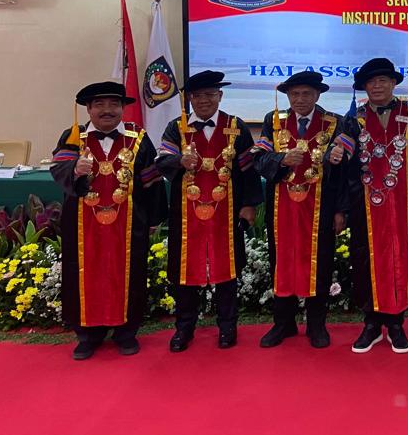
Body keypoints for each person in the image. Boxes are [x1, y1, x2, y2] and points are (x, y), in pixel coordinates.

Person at [50, 81, 166, 359]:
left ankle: (126, 333)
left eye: (114, 104)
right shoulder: (73, 136)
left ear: (123, 108)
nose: (107, 110)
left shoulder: (138, 137)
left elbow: (151, 180)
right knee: (83, 275)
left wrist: (154, 219)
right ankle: (87, 335)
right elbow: (58, 169)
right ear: (88, 109)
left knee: (129, 274)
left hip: (129, 224)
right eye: (99, 104)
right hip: (83, 225)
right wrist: (74, 168)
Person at [156, 70, 262, 351]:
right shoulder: (176, 128)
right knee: (185, 271)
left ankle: (227, 327)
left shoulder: (236, 126)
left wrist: (249, 205)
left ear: (220, 96)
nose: (204, 100)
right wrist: (179, 161)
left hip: (227, 213)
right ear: (190, 99)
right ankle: (184, 328)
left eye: (210, 94)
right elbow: (162, 160)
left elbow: (248, 169)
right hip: (187, 214)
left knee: (227, 270)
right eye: (198, 95)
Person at [340, 58, 408, 353]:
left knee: (401, 260)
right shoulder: (354, 118)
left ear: (393, 83)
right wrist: (336, 154)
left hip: (404, 205)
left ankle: (396, 324)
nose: (377, 86)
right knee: (366, 260)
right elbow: (344, 159)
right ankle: (371, 324)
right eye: (371, 82)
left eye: (383, 80)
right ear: (364, 87)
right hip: (366, 206)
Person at [252, 71, 347, 349]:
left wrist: (341, 211)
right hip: (282, 208)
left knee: (320, 263)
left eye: (306, 94)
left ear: (317, 95)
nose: (300, 99)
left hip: (321, 207)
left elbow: (345, 172)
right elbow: (258, 159)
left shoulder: (334, 123)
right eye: (295, 94)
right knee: (282, 263)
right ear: (288, 96)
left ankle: (316, 324)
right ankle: (284, 323)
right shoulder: (274, 121)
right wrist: (282, 160)